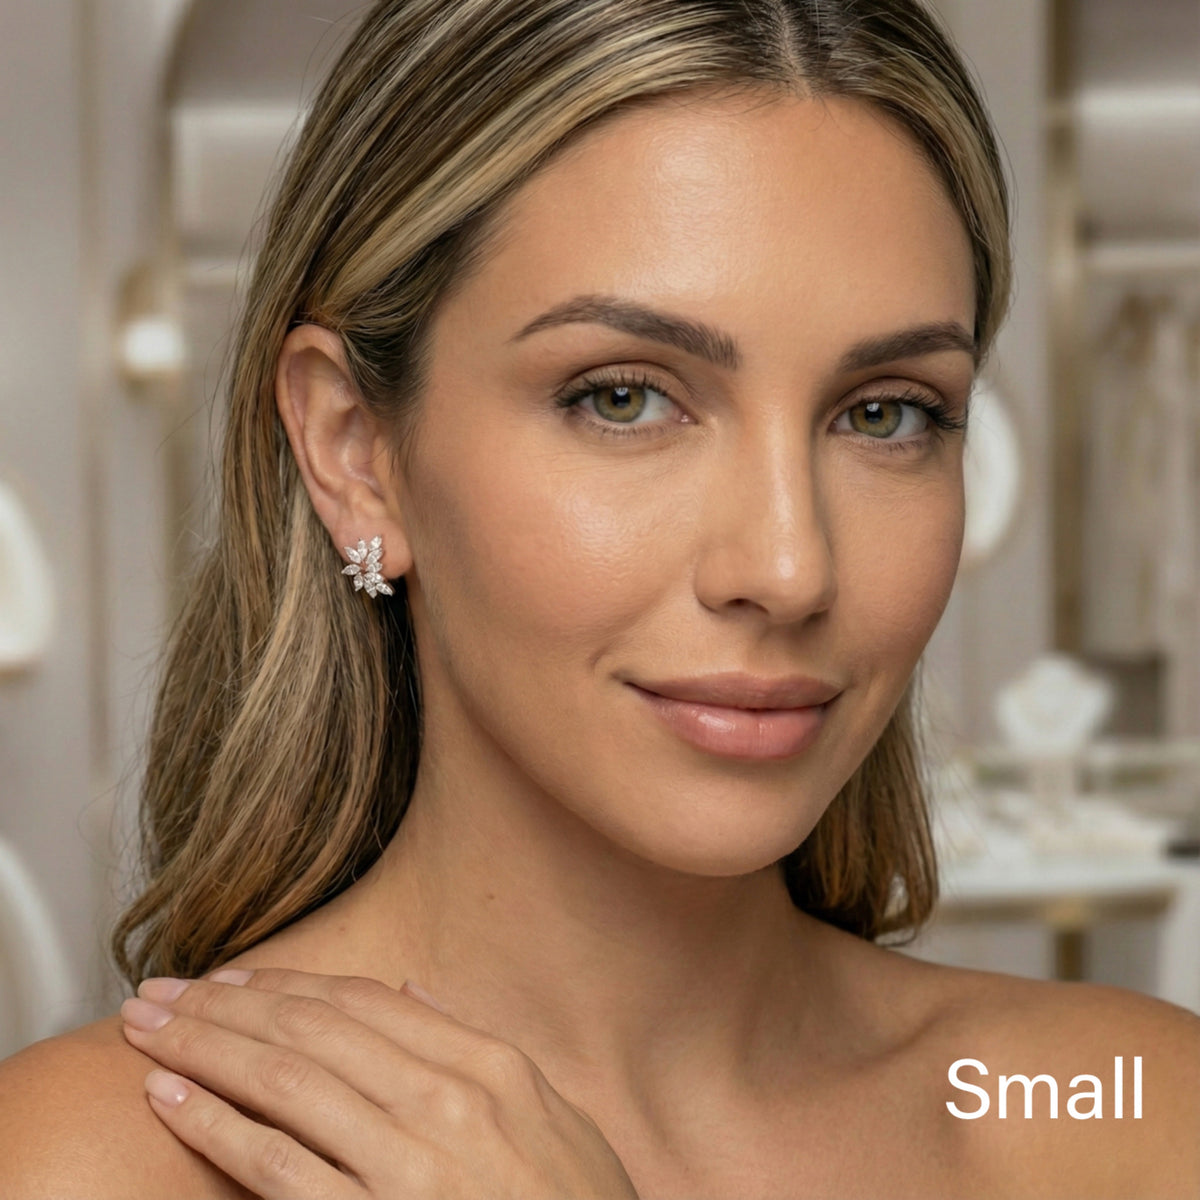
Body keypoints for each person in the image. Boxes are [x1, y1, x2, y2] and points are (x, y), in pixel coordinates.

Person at [3, 0, 1199, 1196]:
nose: (790, 568)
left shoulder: (1123, 1103)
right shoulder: (95, 1160)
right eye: (623, 398)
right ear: (356, 448)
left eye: (884, 413)